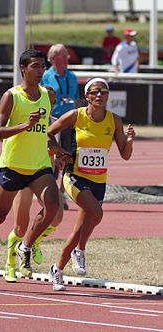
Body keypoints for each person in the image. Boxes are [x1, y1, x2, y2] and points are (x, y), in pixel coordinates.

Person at [0, 49, 71, 290]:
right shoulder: (11, 96)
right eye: (35, 66)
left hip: (39, 166)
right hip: (13, 166)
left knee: (54, 207)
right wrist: (26, 125)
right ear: (23, 69)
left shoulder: (47, 96)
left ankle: (25, 246)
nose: (40, 71)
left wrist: (57, 150)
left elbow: (45, 130)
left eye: (42, 66)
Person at [47, 77, 135, 291]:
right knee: (96, 214)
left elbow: (125, 155)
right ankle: (81, 251)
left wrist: (130, 140)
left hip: (98, 181)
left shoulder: (114, 120)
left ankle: (57, 269)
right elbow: (48, 132)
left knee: (79, 229)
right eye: (94, 92)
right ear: (86, 96)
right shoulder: (76, 115)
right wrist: (57, 152)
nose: (99, 95)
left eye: (103, 92)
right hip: (74, 176)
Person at [5, 85, 64, 283]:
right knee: (20, 227)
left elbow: (54, 148)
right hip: (23, 173)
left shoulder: (55, 124)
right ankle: (10, 265)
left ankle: (34, 240)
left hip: (43, 175)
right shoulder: (28, 118)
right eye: (50, 99)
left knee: (56, 216)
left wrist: (59, 157)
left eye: (54, 101)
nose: (52, 103)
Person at [41, 44, 79, 210]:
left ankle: (61, 193)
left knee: (69, 158)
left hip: (70, 123)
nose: (66, 59)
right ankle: (48, 193)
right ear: (52, 59)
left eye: (67, 56)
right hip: (53, 123)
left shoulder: (72, 77)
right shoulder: (45, 76)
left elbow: (76, 100)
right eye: (63, 56)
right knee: (52, 160)